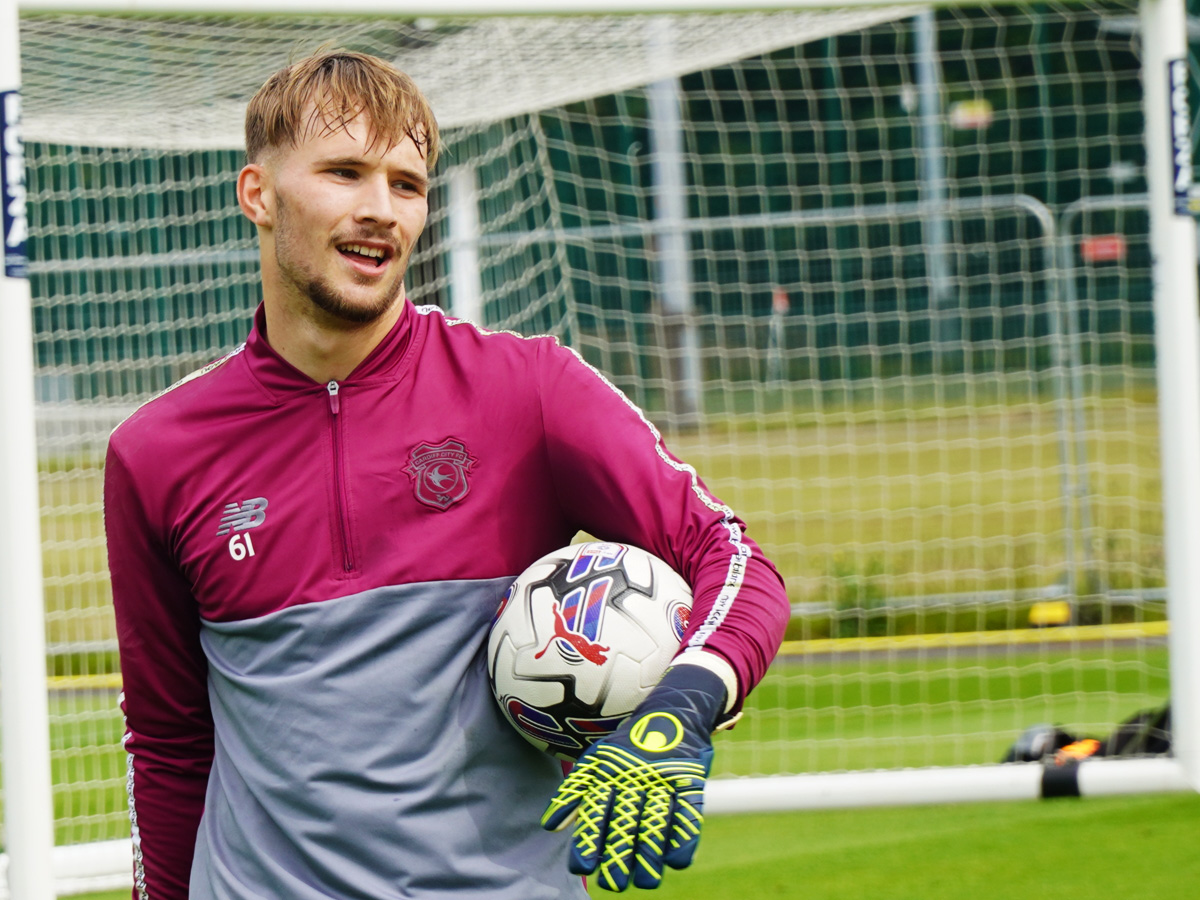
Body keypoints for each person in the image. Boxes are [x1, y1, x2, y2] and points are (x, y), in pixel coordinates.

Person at [104, 50, 790, 900]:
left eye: (406, 183)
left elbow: (732, 558)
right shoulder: (157, 451)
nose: (379, 210)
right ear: (259, 194)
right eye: (344, 173)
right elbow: (170, 742)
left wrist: (684, 700)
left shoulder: (529, 391)